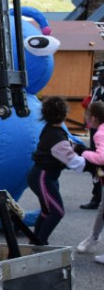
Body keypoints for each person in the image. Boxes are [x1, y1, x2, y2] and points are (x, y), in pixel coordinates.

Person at [27, 96, 86, 245]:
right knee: (56, 212)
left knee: (47, 211)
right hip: (42, 177)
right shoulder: (56, 136)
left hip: (44, 176)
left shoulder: (53, 129)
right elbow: (74, 162)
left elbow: (69, 146)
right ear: (65, 114)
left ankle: (36, 243)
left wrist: (84, 150)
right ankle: (39, 243)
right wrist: (93, 162)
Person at [76, 100, 104, 263]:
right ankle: (93, 236)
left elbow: (101, 157)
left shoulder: (100, 133)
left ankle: (94, 237)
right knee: (102, 208)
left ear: (93, 118)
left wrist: (85, 153)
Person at [81, 70, 104, 209]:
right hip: (95, 128)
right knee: (96, 167)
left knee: (100, 160)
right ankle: (96, 196)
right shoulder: (97, 90)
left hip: (102, 127)